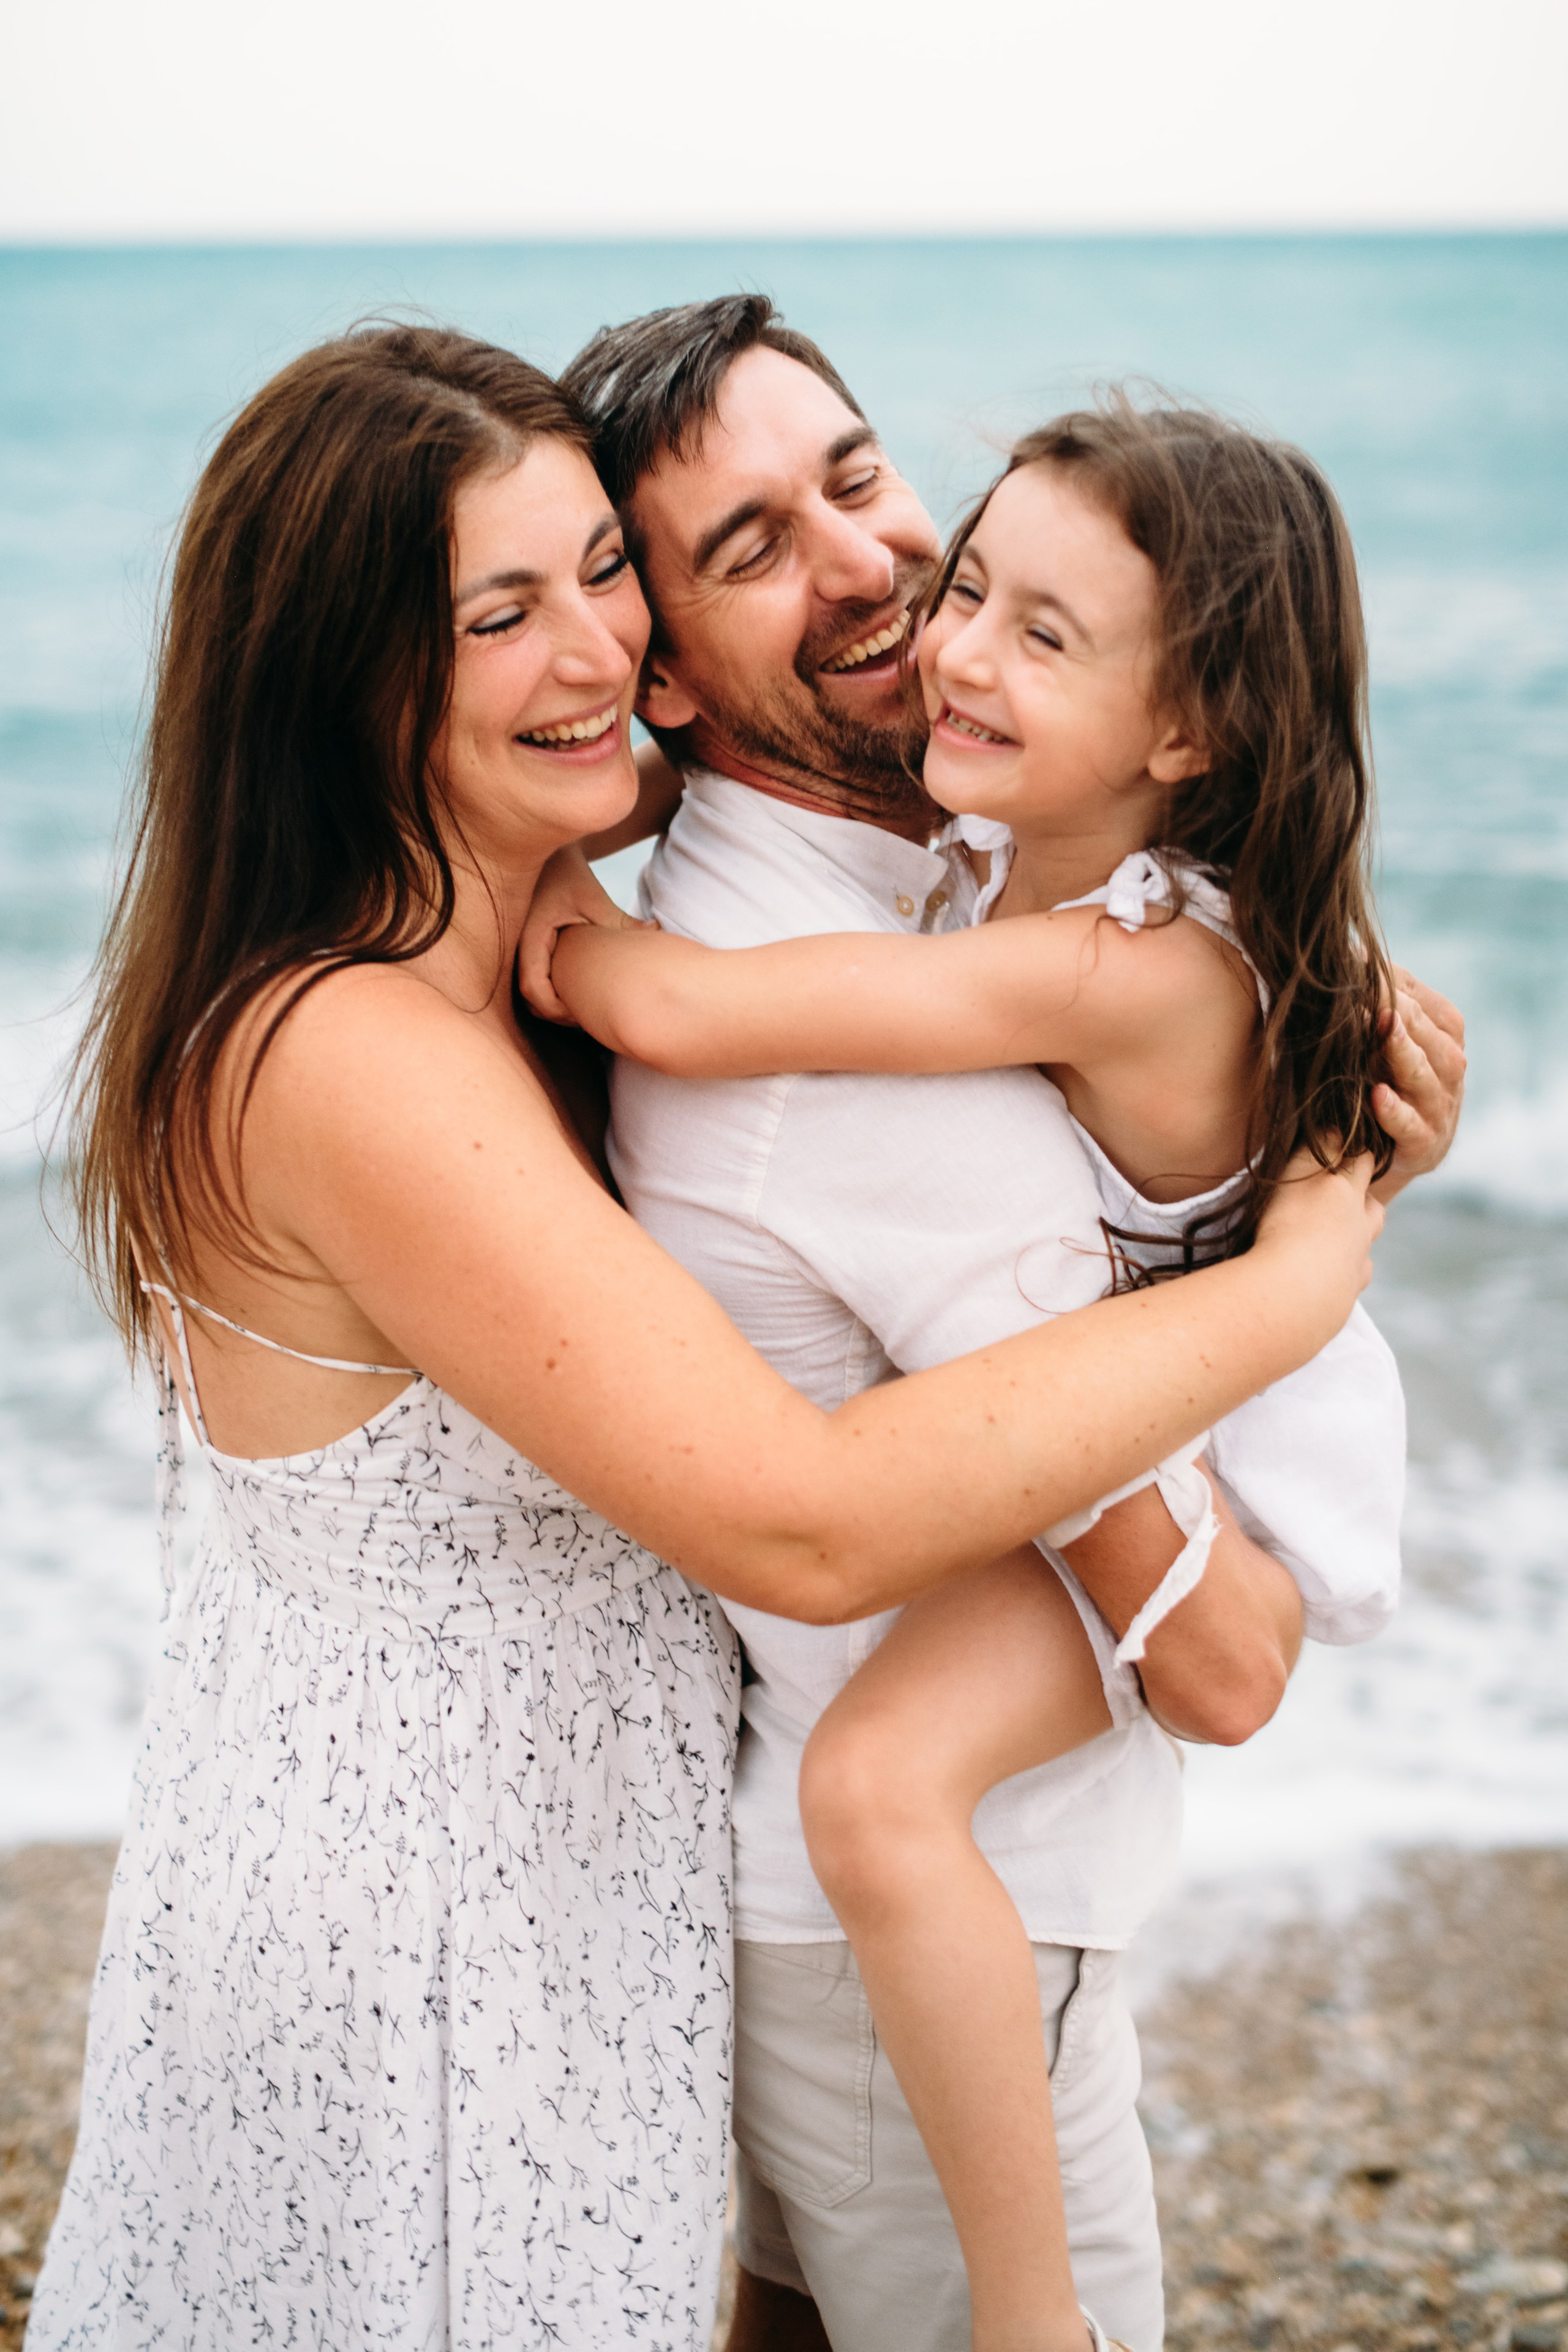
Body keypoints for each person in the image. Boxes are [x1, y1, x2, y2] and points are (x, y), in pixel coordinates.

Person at [27, 326, 1376, 2352]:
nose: (600, 648)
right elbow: (849, 1539)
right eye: (505, 612)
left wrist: (1281, 1022)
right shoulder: (376, 1047)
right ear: (351, 683)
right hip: (430, 1970)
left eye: (604, 574)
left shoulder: (525, 952)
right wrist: (1294, 1278)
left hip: (572, 1919)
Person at [524, 295, 1463, 2352]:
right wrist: (1314, 1252)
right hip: (935, 1952)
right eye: (752, 547)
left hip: (857, 1947)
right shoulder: (871, 1055)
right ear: (660, 666)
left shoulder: (961, 868)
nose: (880, 575)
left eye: (862, 482)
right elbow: (1219, 1659)